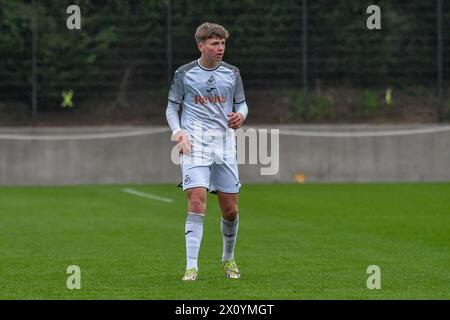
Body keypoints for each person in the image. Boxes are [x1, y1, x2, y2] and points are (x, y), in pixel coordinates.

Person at [165, 22, 249, 281]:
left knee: (231, 210)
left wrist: (240, 117)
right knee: (197, 200)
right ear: (201, 46)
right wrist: (178, 132)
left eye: (222, 43)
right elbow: (171, 109)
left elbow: (242, 105)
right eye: (214, 43)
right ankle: (192, 266)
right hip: (195, 144)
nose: (220, 48)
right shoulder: (184, 73)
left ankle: (228, 258)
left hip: (224, 146)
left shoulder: (232, 73)